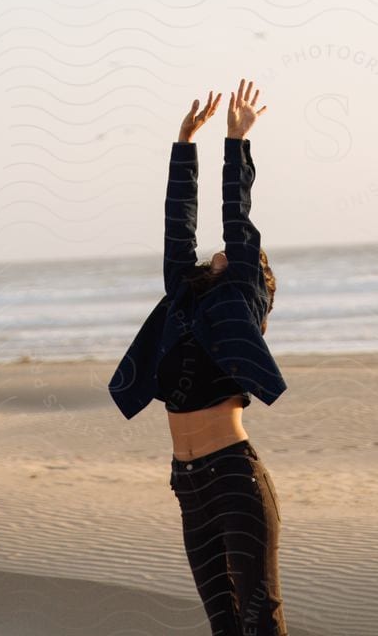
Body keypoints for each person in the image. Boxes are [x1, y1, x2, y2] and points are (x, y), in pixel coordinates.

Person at [108, 78, 289, 635]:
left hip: (235, 476)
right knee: (223, 626)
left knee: (261, 623)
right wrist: (184, 146)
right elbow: (176, 233)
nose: (221, 251)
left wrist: (237, 143)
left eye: (236, 255)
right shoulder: (184, 304)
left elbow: (237, 220)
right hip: (188, 482)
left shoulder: (240, 305)